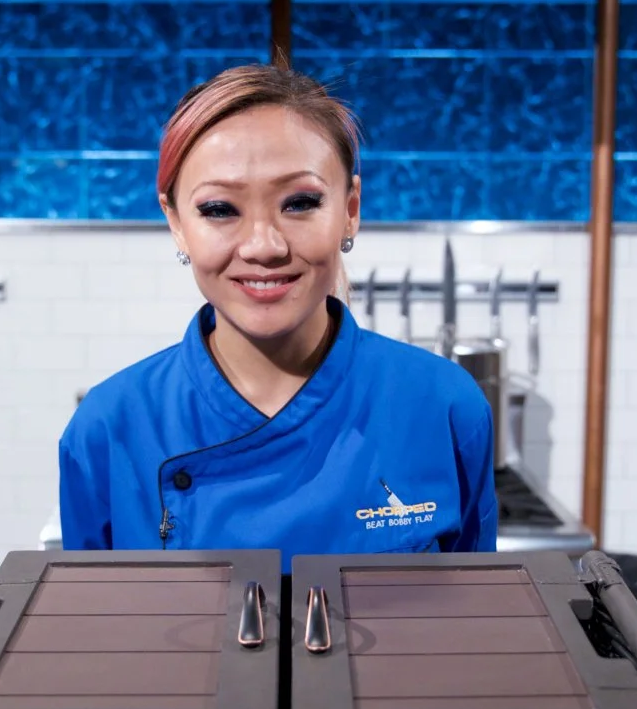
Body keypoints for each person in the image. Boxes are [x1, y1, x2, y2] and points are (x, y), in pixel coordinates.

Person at [59, 64, 497, 569]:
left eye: (300, 203)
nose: (264, 246)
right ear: (176, 222)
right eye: (219, 209)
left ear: (350, 209)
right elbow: (94, 617)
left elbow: (473, 610)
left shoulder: (445, 406)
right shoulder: (107, 428)